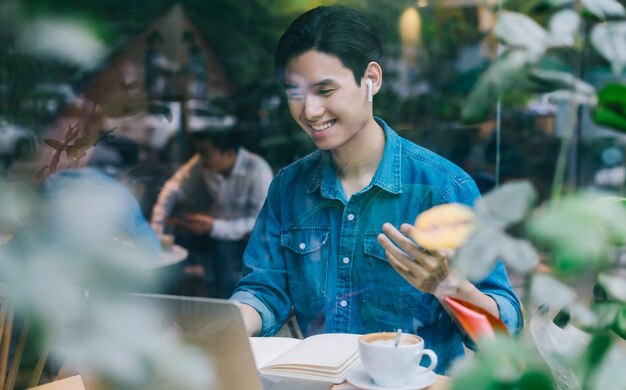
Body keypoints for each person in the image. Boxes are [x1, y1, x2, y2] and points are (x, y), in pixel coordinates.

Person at [230, 5, 523, 374]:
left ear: (371, 79)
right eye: (295, 93)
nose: (310, 110)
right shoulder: (288, 187)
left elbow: (500, 333)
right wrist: (223, 324)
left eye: (325, 90)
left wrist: (448, 285)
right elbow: (264, 290)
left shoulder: (444, 188)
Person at [150, 129, 273, 298]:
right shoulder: (202, 163)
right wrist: (156, 228)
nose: (199, 158)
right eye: (199, 152)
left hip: (244, 244)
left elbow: (261, 221)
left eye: (205, 153)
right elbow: (172, 189)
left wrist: (214, 226)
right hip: (210, 236)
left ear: (229, 154)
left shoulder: (258, 170)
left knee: (230, 288)